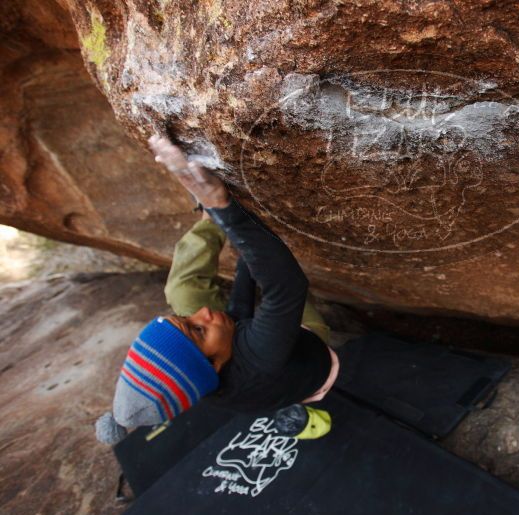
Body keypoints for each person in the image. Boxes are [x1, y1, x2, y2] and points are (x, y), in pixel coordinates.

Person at [95, 135, 339, 445]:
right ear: (214, 365)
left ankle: (211, 219)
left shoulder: (201, 377)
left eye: (183, 320)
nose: (205, 313)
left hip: (261, 369)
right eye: (197, 329)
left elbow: (237, 315)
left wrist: (242, 245)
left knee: (202, 285)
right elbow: (286, 287)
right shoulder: (256, 360)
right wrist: (225, 206)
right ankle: (297, 402)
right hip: (309, 352)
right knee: (274, 278)